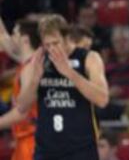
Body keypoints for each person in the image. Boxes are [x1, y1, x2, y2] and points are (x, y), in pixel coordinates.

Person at [3, 14, 109, 160]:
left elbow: (102, 99)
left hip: (81, 149)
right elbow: (22, 106)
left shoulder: (89, 58)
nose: (52, 48)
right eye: (47, 45)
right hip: (46, 150)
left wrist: (70, 73)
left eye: (55, 43)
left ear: (67, 37)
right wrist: (34, 80)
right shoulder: (38, 61)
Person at [0, 18, 40, 160]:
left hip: (32, 139)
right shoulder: (27, 62)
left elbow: (23, 112)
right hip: (25, 139)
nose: (12, 37)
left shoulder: (31, 68)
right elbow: (2, 36)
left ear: (25, 39)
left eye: (15, 33)